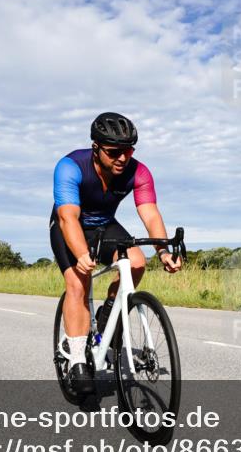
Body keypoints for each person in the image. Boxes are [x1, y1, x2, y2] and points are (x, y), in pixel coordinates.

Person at [49, 112, 182, 383]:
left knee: (137, 262)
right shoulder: (70, 166)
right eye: (113, 152)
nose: (122, 158)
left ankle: (108, 312)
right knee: (78, 283)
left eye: (128, 151)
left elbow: (150, 214)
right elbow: (67, 218)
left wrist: (163, 251)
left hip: (105, 225)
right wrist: (81, 254)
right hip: (70, 226)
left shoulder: (139, 171)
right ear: (95, 148)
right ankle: (77, 360)